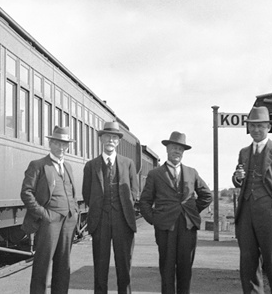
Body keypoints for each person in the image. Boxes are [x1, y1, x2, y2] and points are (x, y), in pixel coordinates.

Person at [139, 131, 212, 294]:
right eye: (173, 147)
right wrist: (154, 220)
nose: (177, 151)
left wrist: (191, 211)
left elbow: (207, 195)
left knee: (185, 269)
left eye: (180, 149)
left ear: (183, 152)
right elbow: (144, 202)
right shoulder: (155, 174)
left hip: (188, 227)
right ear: (167, 149)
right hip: (165, 228)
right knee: (166, 269)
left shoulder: (192, 172)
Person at [231, 106, 272, 294]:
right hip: (246, 214)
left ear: (268, 127)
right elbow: (237, 181)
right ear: (248, 128)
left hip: (270, 213)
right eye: (253, 126)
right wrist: (237, 177)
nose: (256, 130)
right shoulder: (243, 152)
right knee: (248, 263)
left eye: (260, 126)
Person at [82, 121, 140, 294]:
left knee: (124, 267)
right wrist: (100, 209)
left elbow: (135, 191)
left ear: (118, 142)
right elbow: (87, 194)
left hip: (123, 221)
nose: (111, 140)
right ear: (101, 139)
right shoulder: (91, 165)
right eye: (107, 136)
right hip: (100, 222)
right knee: (100, 268)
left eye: (114, 137)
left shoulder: (128, 163)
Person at [20, 125, 80, 294]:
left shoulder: (68, 166)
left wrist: (74, 211)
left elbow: (72, 192)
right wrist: (43, 215)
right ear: (51, 143)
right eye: (58, 143)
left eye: (65, 144)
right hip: (49, 222)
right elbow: (26, 192)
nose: (61, 148)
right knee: (42, 266)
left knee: (63, 266)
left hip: (68, 222)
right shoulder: (38, 165)